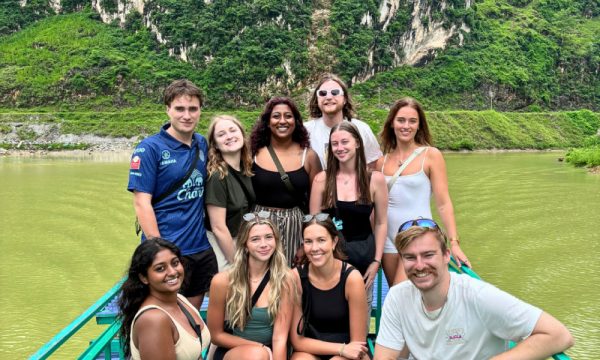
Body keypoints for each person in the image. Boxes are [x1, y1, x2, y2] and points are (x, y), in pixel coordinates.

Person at [373, 219, 574, 360]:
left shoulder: (478, 296)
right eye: (410, 257)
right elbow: (385, 356)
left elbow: (559, 335)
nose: (419, 265)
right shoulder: (398, 297)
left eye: (428, 255)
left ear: (446, 256)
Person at [127, 79, 216, 310]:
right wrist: (161, 251)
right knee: (165, 316)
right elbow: (141, 202)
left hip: (199, 248)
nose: (186, 115)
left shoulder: (201, 144)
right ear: (168, 109)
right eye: (179, 109)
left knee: (191, 318)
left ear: (200, 111)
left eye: (192, 109)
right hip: (168, 251)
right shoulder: (149, 149)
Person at [375, 97, 469, 286]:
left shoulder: (431, 155)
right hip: (388, 241)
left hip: (418, 236)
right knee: (396, 294)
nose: (406, 126)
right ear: (392, 123)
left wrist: (454, 243)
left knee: (402, 293)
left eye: (412, 121)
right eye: (401, 120)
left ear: (419, 125)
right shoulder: (381, 162)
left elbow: (443, 203)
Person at [309, 121, 388, 320]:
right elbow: (314, 225)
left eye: (345, 142)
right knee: (331, 315)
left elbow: (380, 223)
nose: (340, 148)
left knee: (360, 315)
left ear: (357, 144)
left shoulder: (375, 180)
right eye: (335, 144)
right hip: (331, 259)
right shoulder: (322, 180)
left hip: (363, 256)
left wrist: (376, 261)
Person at [207, 212, 294, 360]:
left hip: (272, 350)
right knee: (256, 355)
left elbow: (279, 338)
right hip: (235, 349)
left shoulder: (286, 279)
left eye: (268, 237)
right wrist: (259, 348)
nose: (264, 244)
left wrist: (266, 352)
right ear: (245, 245)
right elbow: (216, 335)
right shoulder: (222, 281)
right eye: (255, 239)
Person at [250, 97, 322, 266]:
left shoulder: (309, 156)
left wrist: (307, 243)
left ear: (296, 122)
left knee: (292, 280)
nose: (282, 121)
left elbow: (317, 204)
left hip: (295, 227)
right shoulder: (252, 153)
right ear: (267, 122)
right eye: (276, 116)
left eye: (288, 116)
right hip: (260, 225)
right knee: (260, 278)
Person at [290, 214, 369, 360]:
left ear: (334, 242)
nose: (315, 248)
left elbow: (358, 344)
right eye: (308, 241)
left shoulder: (351, 278)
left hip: (349, 351)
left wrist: (343, 350)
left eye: (321, 240)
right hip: (312, 349)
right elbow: (297, 341)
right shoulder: (295, 277)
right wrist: (340, 349)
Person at [118, 238, 210, 360]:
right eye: (160, 268)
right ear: (144, 277)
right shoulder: (153, 320)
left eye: (175, 263)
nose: (172, 272)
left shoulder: (180, 299)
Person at [205, 115, 256, 270]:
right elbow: (218, 228)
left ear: (242, 134)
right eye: (221, 134)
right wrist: (236, 262)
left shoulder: (247, 169)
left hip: (244, 241)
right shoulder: (218, 177)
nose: (229, 136)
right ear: (216, 145)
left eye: (233, 130)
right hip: (225, 246)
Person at [305, 73, 382, 170]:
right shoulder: (306, 130)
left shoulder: (362, 129)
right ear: (317, 99)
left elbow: (373, 164)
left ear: (344, 99)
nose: (328, 97)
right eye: (322, 93)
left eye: (335, 92)